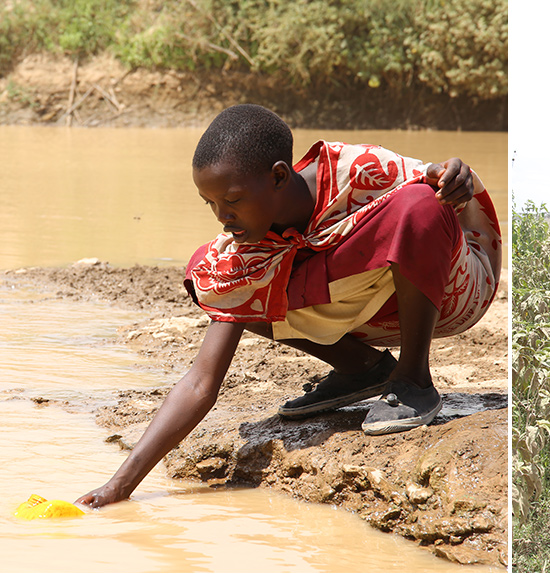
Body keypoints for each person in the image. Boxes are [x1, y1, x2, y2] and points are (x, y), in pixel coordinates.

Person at [77, 104, 501, 508]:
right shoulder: (251, 240)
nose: (222, 216)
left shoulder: (360, 171)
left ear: (280, 177)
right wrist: (119, 485)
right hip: (379, 304)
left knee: (420, 203)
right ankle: (364, 368)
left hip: (457, 284)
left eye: (233, 200)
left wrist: (456, 176)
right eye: (211, 204)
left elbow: (442, 188)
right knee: (223, 278)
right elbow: (201, 382)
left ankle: (413, 380)